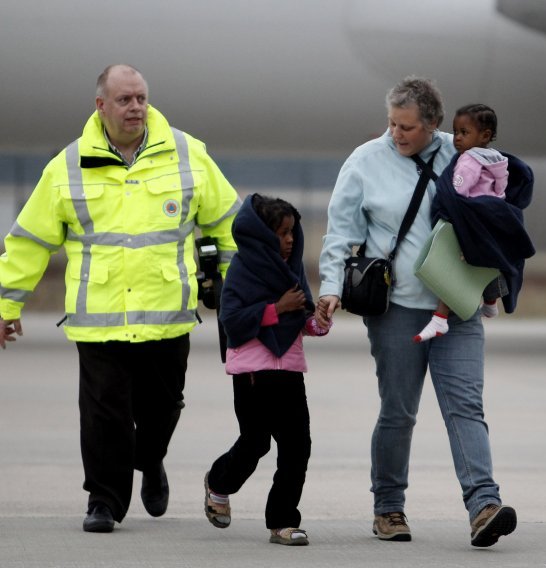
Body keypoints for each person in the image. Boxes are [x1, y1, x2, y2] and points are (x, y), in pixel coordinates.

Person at [0, 64, 240, 533]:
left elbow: (229, 224)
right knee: (103, 412)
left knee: (163, 407)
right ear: (101, 106)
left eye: (141, 98)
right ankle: (104, 500)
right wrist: (6, 306)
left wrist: (233, 290)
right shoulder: (67, 166)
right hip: (100, 317)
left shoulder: (187, 154)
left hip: (168, 314)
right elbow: (29, 240)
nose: (136, 107)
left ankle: (150, 461)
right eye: (125, 100)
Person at [315, 76, 517, 548]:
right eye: (392, 124)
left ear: (433, 125)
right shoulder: (365, 161)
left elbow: (498, 210)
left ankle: (484, 505)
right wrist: (330, 290)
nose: (397, 134)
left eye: (407, 127)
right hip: (397, 311)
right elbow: (340, 233)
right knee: (399, 412)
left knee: (465, 406)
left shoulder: (460, 154)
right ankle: (388, 508)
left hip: (458, 308)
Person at [204, 194, 329, 546]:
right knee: (255, 443)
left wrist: (317, 321)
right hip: (253, 375)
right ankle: (218, 482)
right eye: (281, 232)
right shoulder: (242, 270)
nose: (290, 240)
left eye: (292, 232)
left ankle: (283, 521)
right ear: (261, 235)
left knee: (297, 447)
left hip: (289, 371)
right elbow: (232, 321)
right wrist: (276, 308)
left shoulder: (293, 271)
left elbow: (301, 319)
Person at [413, 103, 535, 342]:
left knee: (454, 267)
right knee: (488, 261)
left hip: (469, 217)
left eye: (464, 133)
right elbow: (500, 192)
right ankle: (490, 302)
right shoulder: (498, 159)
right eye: (456, 132)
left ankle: (440, 318)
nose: (457, 139)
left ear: (485, 135)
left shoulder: (469, 159)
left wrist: (449, 192)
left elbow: (458, 189)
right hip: (491, 215)